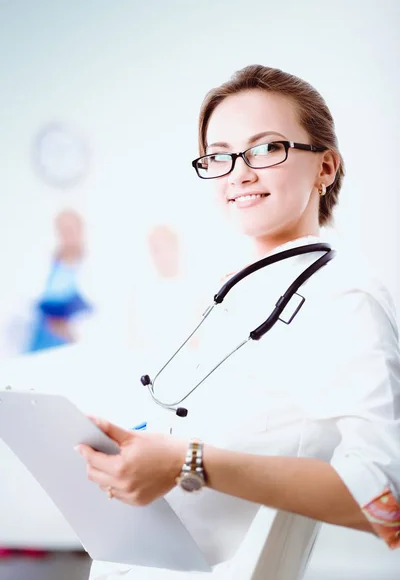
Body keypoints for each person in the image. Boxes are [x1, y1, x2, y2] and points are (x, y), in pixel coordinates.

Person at [78, 65, 400, 579]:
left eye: (267, 148)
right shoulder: (227, 293)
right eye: (220, 155)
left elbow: (384, 499)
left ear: (326, 167)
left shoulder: (346, 297)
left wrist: (187, 462)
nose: (239, 172)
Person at [24, 209, 93, 353]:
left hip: (72, 341)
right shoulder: (47, 264)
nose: (67, 235)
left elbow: (97, 314)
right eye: (63, 230)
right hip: (41, 338)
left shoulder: (91, 266)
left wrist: (70, 330)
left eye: (71, 229)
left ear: (81, 230)